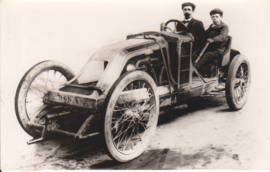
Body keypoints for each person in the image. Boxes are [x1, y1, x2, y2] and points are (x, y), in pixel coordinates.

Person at [196, 8, 229, 77]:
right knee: (196, 52)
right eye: (213, 17)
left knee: (206, 55)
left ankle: (196, 68)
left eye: (217, 17)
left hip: (218, 50)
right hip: (209, 48)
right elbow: (205, 34)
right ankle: (201, 72)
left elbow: (222, 36)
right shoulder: (212, 26)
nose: (215, 18)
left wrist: (213, 39)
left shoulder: (224, 27)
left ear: (221, 17)